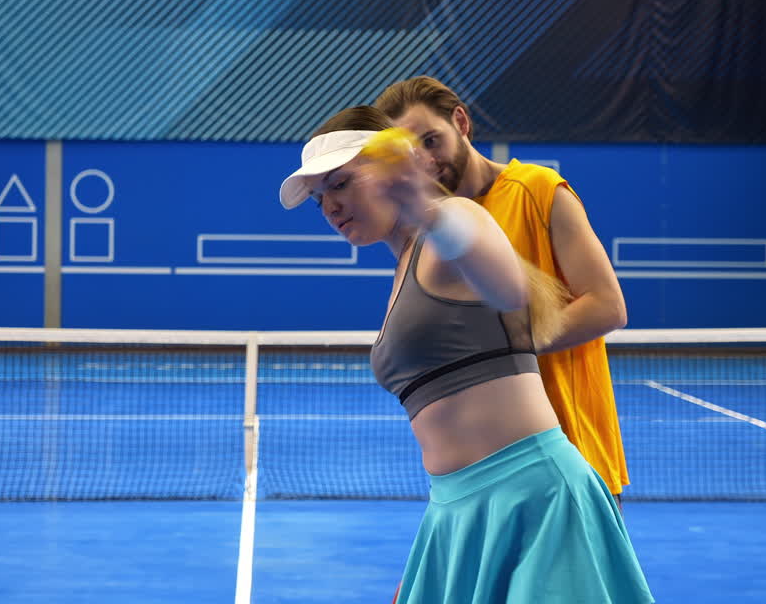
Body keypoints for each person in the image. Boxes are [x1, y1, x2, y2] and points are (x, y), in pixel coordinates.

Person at [279, 106, 652, 604]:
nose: (329, 206)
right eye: (319, 198)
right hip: (455, 509)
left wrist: (426, 208)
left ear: (393, 167)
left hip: (531, 498)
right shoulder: (404, 269)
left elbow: (508, 289)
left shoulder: (454, 221)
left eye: (341, 183)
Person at [373, 76, 632, 504]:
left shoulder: (538, 189)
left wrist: (499, 349)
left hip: (570, 461)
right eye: (411, 154)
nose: (427, 162)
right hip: (483, 471)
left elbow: (608, 306)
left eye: (432, 141)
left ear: (461, 122)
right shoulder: (429, 230)